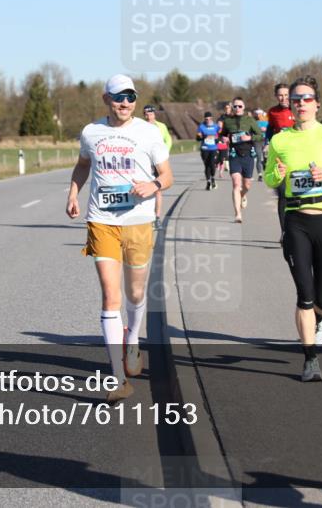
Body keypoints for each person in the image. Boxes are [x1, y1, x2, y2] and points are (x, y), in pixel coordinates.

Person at [66, 74, 173, 403]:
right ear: (106, 99)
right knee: (110, 297)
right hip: (102, 221)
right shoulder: (92, 132)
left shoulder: (148, 132)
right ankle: (116, 378)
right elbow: (83, 165)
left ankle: (133, 339)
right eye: (118, 97)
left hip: (138, 221)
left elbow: (167, 176)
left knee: (135, 292)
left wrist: (153, 186)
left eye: (130, 97)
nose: (125, 103)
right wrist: (73, 194)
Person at [264, 76, 322, 381]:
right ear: (290, 104)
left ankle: (317, 318)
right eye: (296, 99)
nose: (301, 104)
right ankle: (310, 359)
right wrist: (277, 175)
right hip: (296, 222)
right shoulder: (279, 140)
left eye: (307, 99)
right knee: (304, 293)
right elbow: (268, 179)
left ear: (317, 104)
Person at [220, 97, 262, 223]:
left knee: (246, 185)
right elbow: (222, 135)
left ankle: (243, 195)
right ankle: (238, 214)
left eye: (240, 106)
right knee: (236, 184)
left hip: (248, 154)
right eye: (235, 106)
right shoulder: (228, 121)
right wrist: (224, 139)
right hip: (234, 155)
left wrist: (249, 137)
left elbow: (260, 135)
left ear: (244, 108)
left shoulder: (249, 120)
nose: (237, 108)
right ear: (232, 108)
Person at [266, 83, 296, 231]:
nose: (283, 98)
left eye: (286, 95)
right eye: (280, 95)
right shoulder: (273, 112)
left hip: (298, 156)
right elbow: (269, 132)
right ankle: (284, 231)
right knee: (283, 195)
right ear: (276, 96)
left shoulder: (297, 109)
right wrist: (268, 144)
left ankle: (297, 229)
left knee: (297, 195)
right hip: (280, 158)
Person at [142, 105, 172, 230]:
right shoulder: (140, 126)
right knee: (143, 189)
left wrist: (164, 155)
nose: (149, 116)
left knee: (158, 189)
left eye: (151, 114)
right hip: (144, 163)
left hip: (157, 162)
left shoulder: (161, 126)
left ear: (154, 114)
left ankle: (157, 217)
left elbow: (168, 140)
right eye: (146, 114)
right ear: (144, 115)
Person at [196, 111, 220, 190]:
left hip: (213, 148)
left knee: (212, 164)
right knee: (207, 165)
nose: (208, 120)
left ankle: (213, 178)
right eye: (206, 119)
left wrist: (217, 139)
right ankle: (208, 182)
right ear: (204, 119)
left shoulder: (216, 126)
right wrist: (201, 137)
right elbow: (197, 138)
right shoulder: (201, 126)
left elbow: (220, 135)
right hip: (205, 149)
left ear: (212, 118)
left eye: (209, 119)